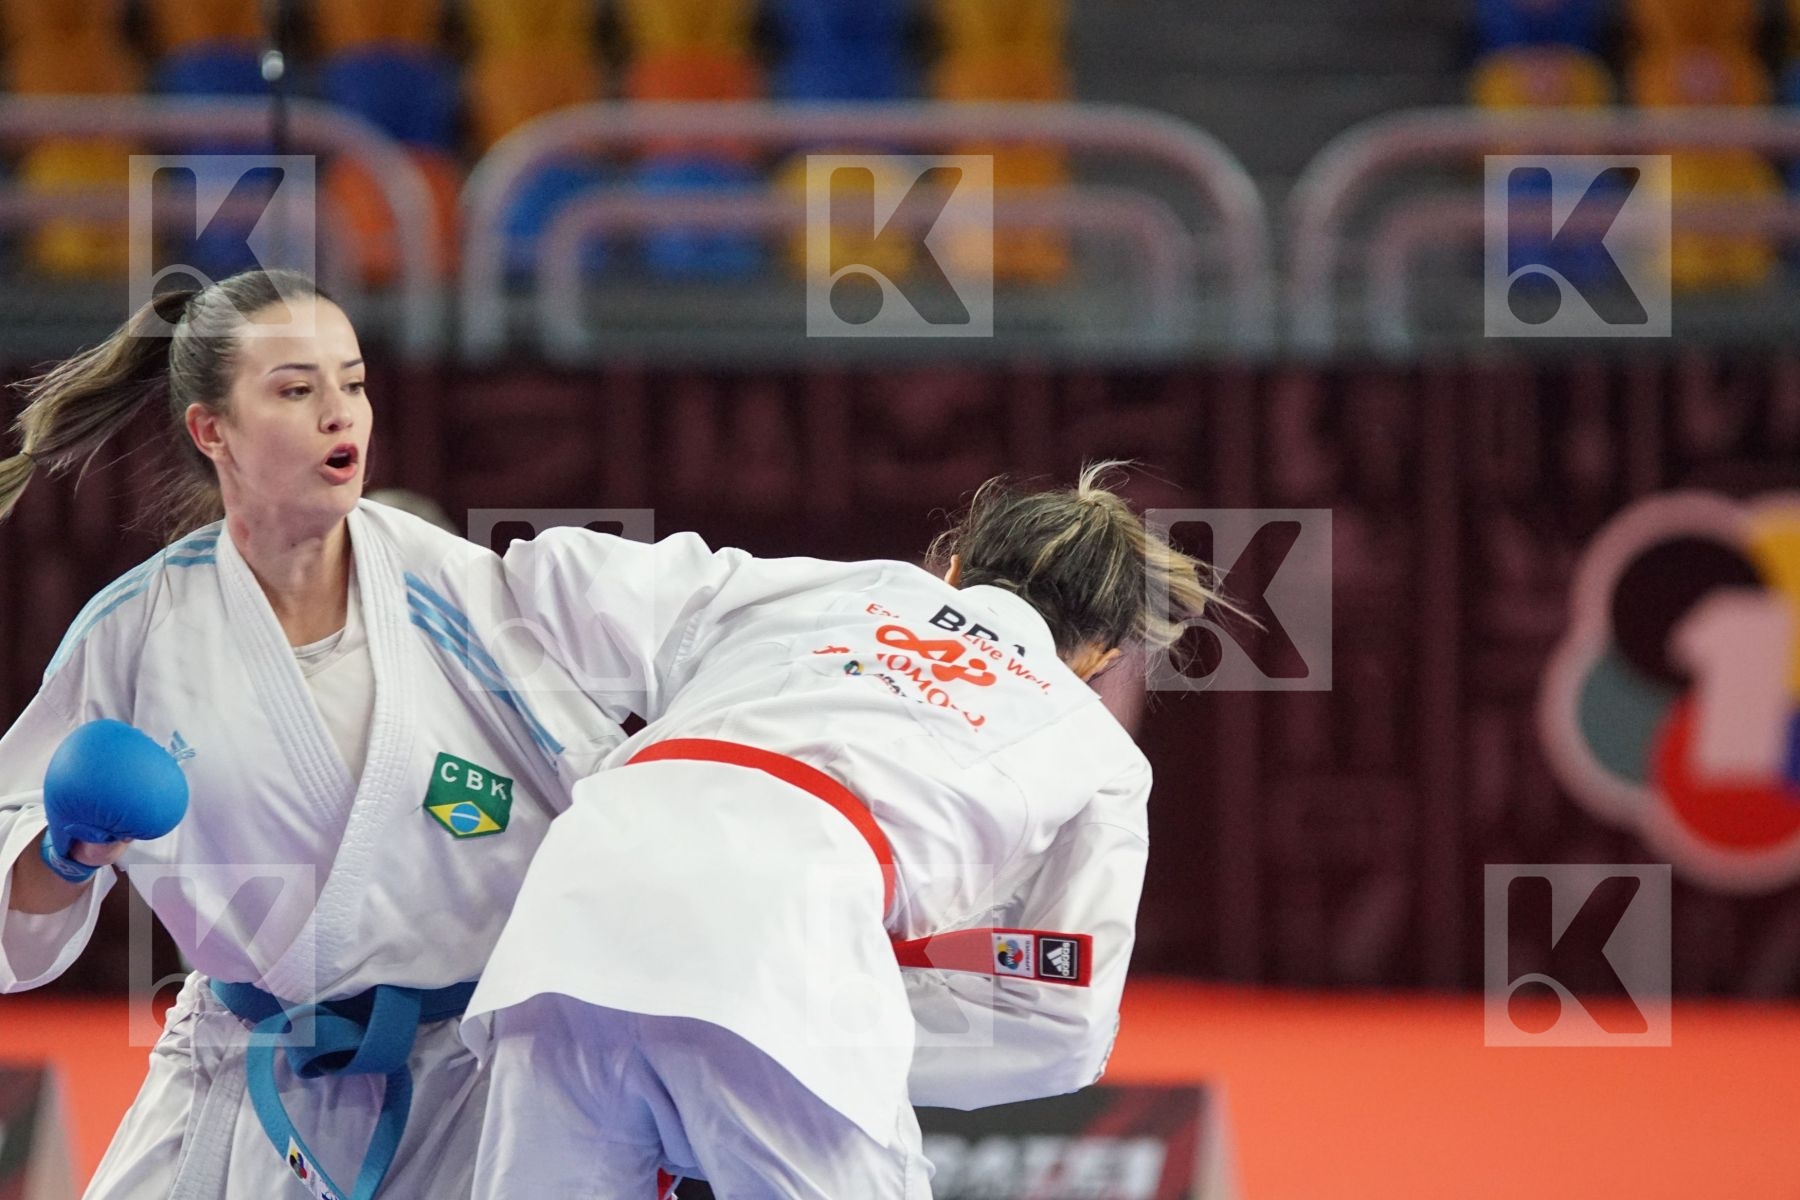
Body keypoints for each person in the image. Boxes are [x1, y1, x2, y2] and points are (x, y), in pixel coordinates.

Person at [0, 270, 620, 1200]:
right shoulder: (137, 633)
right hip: (246, 1075)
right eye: (296, 390)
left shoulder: (456, 589)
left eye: (355, 383)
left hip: (471, 1083)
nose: (342, 415)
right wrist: (70, 849)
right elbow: (16, 916)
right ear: (213, 431)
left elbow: (610, 800)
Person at [465, 463, 1227, 1198]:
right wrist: (857, 1014)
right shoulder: (1097, 751)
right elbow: (1066, 1026)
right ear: (1103, 655)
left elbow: (543, 574)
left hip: (565, 923)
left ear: (952, 569)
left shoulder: (825, 585)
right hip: (787, 952)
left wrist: (590, 765)